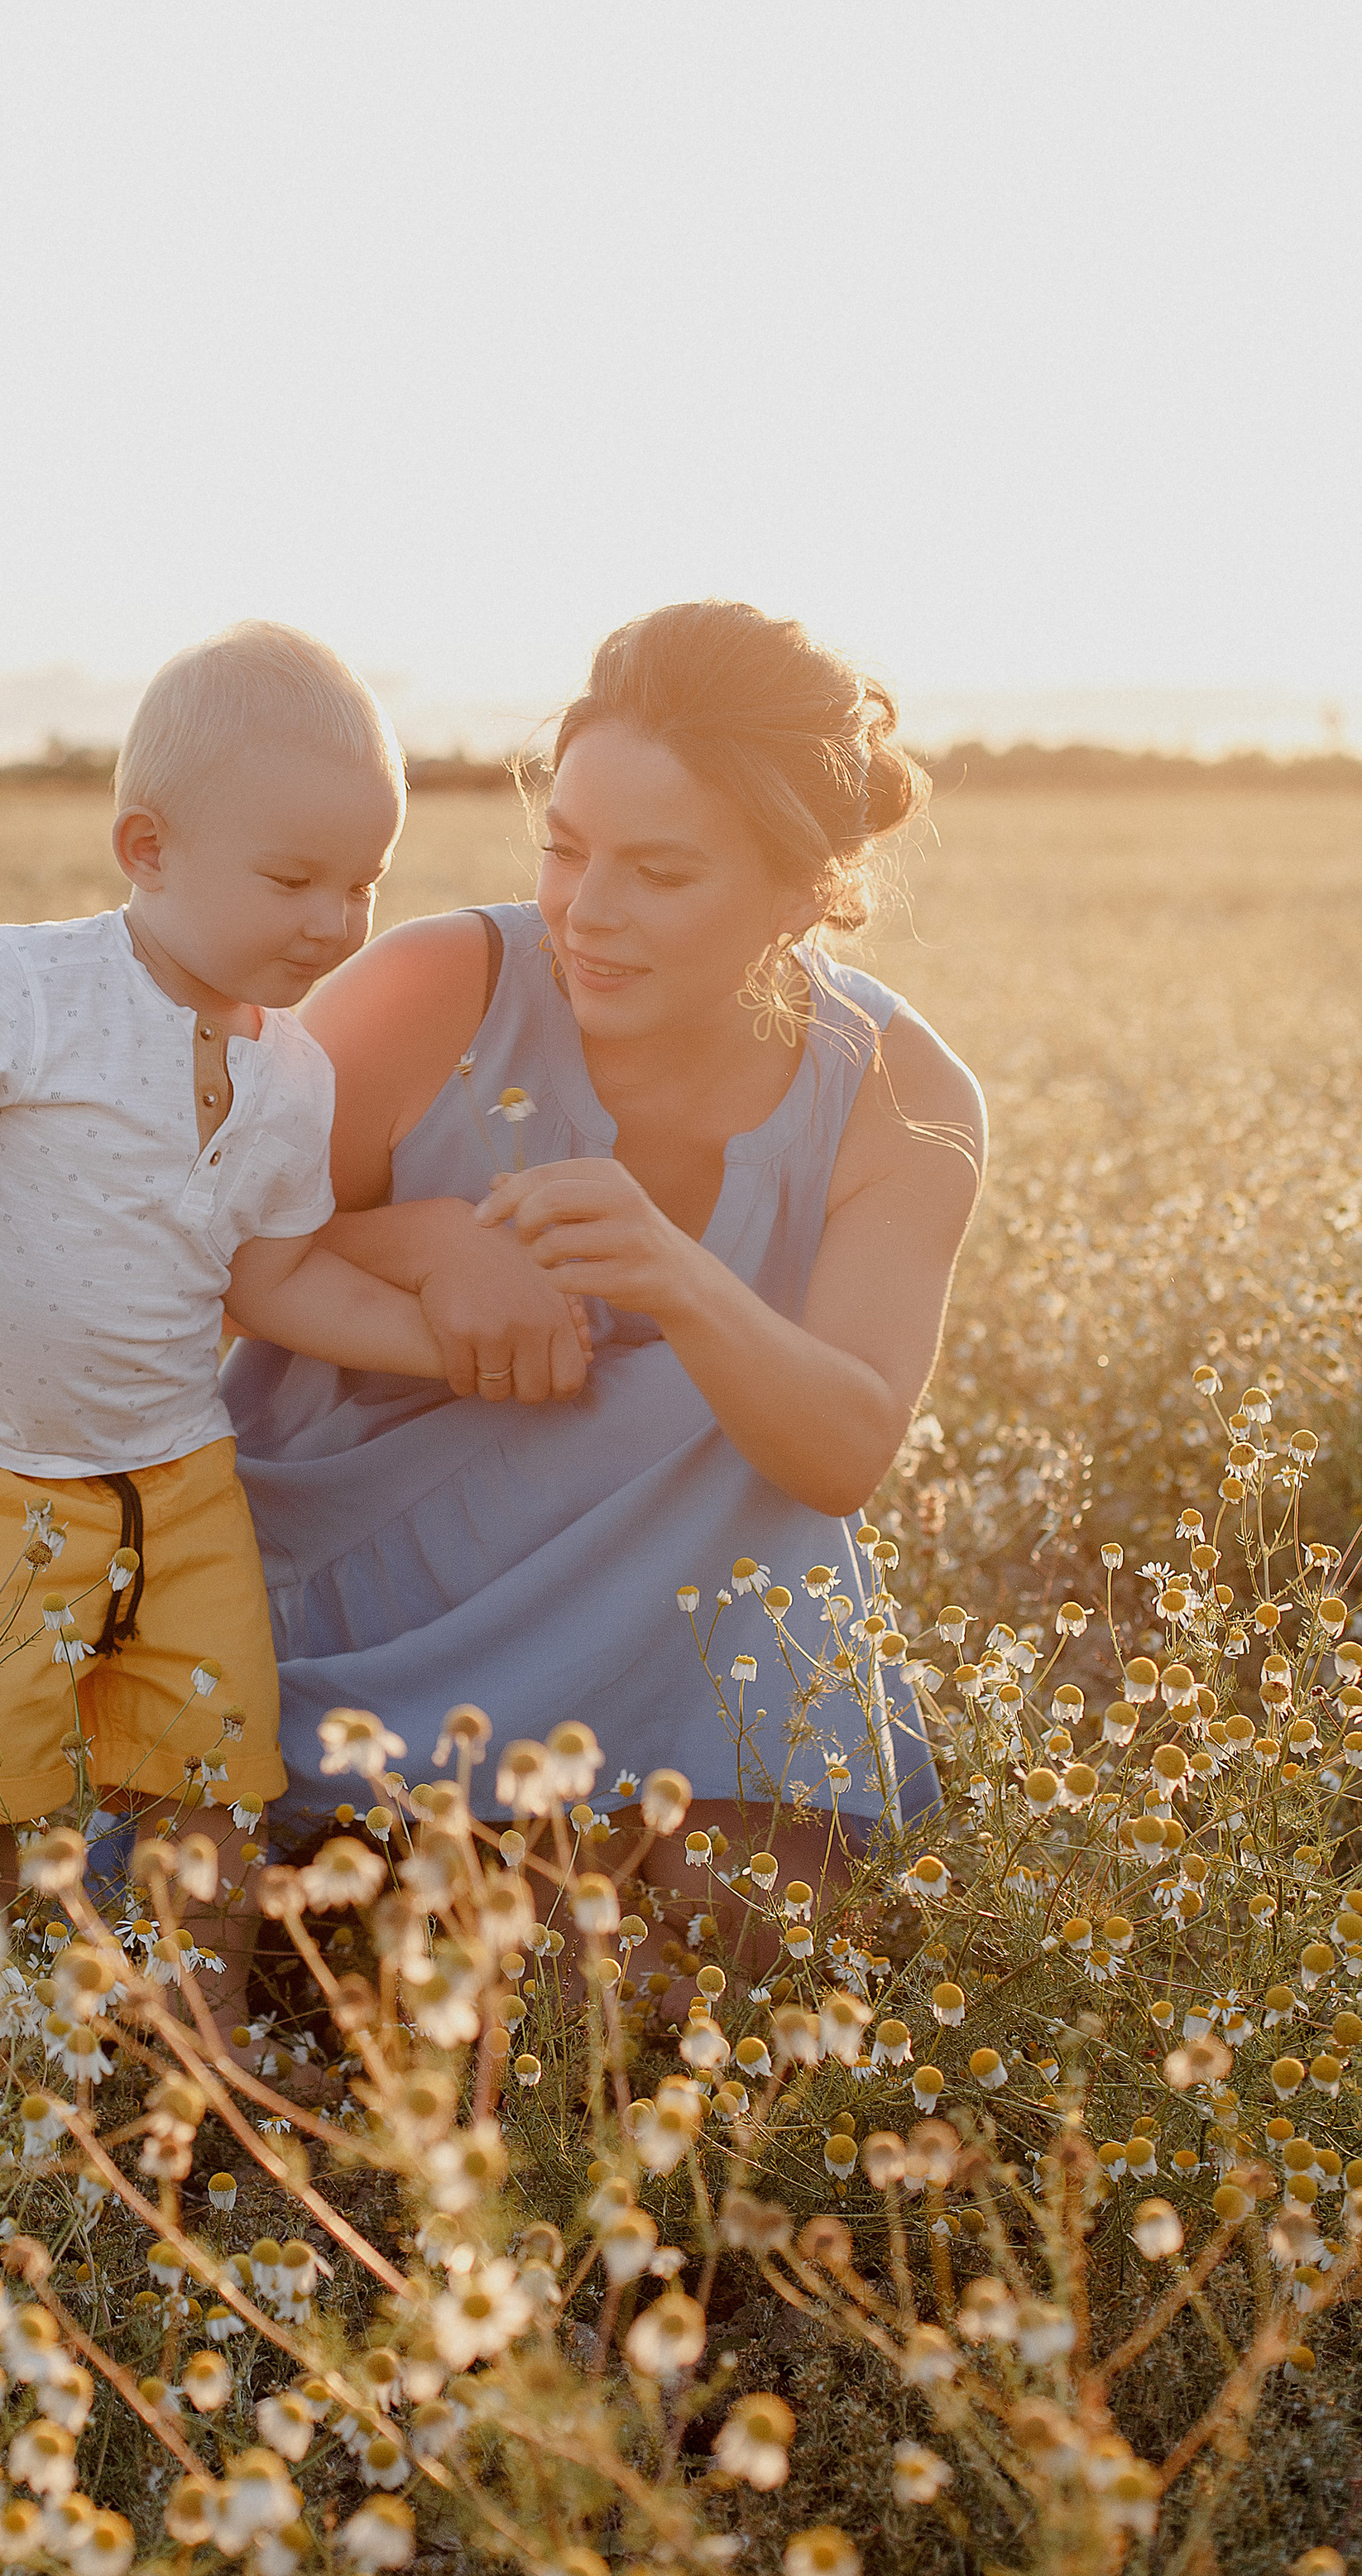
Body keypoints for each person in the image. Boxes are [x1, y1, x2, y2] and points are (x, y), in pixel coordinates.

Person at [223, 599, 986, 1966]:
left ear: (802, 888)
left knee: (743, 1957)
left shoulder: (901, 1096)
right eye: (566, 851)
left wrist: (677, 1279)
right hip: (368, 1571)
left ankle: (537, 1884)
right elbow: (195, 1250)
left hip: (667, 1603)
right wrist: (434, 1238)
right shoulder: (434, 992)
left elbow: (844, 1452)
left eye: (662, 872)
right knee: (420, 1960)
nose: (591, 914)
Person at [0, 623, 456, 2008]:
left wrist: (447, 1351)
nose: (336, 922)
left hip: (175, 1468)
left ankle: (202, 2043)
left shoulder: (294, 1078)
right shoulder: (29, 985)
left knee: (213, 1772)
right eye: (295, 880)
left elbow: (274, 1282)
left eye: (365, 884)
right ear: (146, 848)